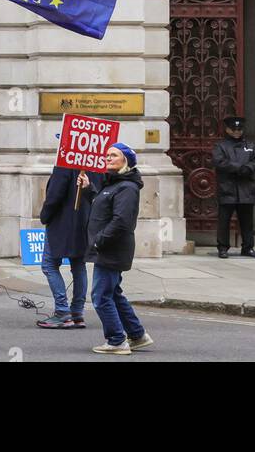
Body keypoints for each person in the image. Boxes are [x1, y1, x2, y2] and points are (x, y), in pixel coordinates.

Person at [85, 143, 155, 354]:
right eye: (107, 155)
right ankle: (137, 335)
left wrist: (100, 241)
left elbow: (122, 221)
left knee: (100, 296)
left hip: (111, 249)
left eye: (114, 155)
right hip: (108, 247)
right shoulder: (113, 184)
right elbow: (103, 207)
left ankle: (116, 340)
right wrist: (90, 190)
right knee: (114, 293)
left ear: (126, 161)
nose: (108, 158)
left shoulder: (127, 188)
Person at [36, 164, 103, 328]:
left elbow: (54, 196)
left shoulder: (66, 164)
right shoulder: (97, 165)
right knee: (78, 265)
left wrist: (45, 215)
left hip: (62, 222)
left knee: (49, 264)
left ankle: (62, 311)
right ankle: (77, 312)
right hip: (85, 222)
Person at [213, 113, 255, 258]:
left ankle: (248, 247)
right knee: (224, 220)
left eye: (239, 130)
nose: (237, 132)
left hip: (246, 188)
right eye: (234, 129)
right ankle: (223, 247)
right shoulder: (221, 146)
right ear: (228, 130)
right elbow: (219, 162)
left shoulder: (250, 146)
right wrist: (238, 168)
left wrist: (248, 168)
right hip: (228, 187)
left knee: (247, 221)